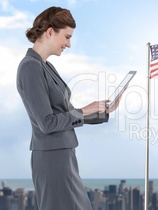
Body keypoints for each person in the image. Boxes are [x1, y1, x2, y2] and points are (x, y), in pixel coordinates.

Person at [16, 6, 122, 210]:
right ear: (49, 32)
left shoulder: (45, 66)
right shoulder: (30, 67)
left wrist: (102, 112)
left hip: (63, 155)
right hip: (52, 158)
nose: (69, 44)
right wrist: (84, 110)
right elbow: (47, 123)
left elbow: (65, 114)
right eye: (66, 37)